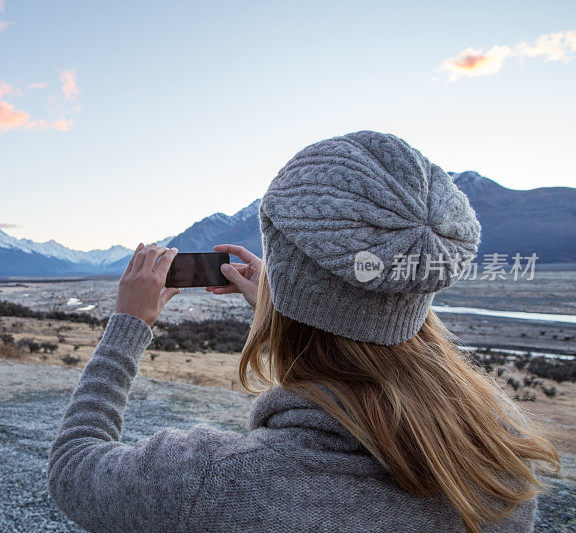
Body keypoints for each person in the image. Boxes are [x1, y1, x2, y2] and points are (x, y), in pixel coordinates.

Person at [47, 131, 559, 532]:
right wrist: (288, 303)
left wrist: (128, 327)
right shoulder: (501, 463)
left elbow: (73, 468)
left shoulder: (216, 482)